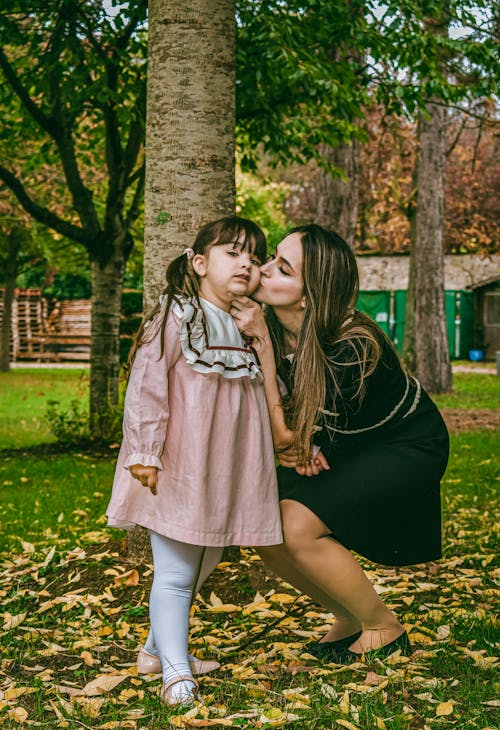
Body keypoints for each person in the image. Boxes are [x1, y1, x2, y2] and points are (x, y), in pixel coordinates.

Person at [230, 224, 449, 663]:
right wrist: (298, 447)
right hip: (348, 442)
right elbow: (291, 438)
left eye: (283, 269)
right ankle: (347, 617)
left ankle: (383, 627)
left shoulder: (354, 343)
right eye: (272, 257)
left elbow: (294, 432)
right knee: (263, 529)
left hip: (407, 444)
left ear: (310, 295)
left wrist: (265, 353)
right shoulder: (271, 320)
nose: (265, 270)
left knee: (295, 526)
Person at [106, 217, 282, 705]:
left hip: (227, 467)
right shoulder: (178, 316)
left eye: (254, 256)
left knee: (206, 558)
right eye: (233, 252)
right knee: (178, 573)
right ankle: (177, 673)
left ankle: (155, 651)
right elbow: (147, 385)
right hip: (180, 461)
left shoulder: (248, 323)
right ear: (200, 263)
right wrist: (144, 453)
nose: (246, 262)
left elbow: (265, 393)